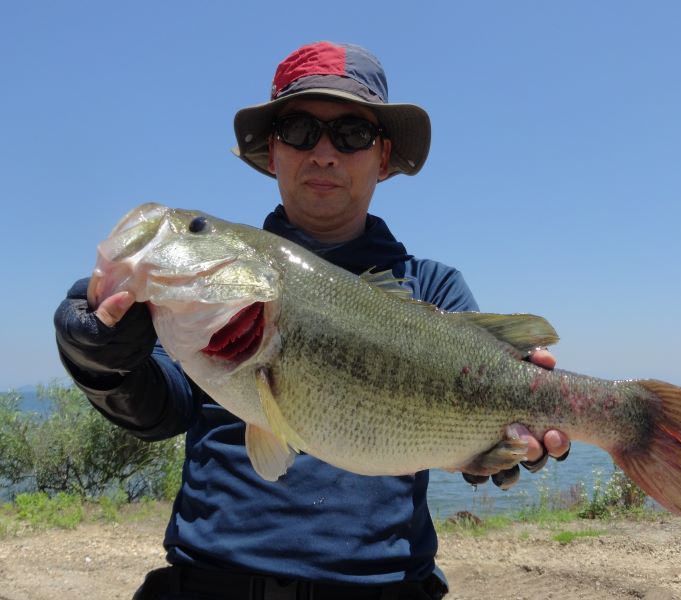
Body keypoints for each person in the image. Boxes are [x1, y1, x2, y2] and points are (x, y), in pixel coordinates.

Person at [54, 41, 570, 600]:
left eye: (352, 133)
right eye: (300, 130)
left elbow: (471, 439)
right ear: (273, 153)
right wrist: (103, 361)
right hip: (207, 585)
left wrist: (496, 455)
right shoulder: (203, 301)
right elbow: (160, 409)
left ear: (383, 157)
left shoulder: (435, 290)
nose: (324, 153)